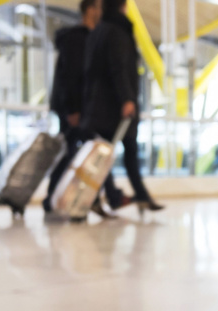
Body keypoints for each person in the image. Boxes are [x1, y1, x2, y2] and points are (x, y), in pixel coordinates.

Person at [82, 0, 164, 214]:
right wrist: (127, 98)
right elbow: (119, 68)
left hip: (98, 107)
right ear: (123, 6)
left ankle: (117, 197)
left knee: (108, 155)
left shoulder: (97, 32)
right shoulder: (118, 31)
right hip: (115, 107)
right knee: (120, 154)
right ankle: (110, 197)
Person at [45, 0, 123, 218]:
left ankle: (94, 199)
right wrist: (72, 109)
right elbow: (70, 77)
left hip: (83, 107)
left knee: (82, 152)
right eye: (99, 7)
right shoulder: (76, 39)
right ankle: (56, 199)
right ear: (90, 10)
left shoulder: (91, 37)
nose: (101, 11)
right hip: (73, 108)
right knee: (77, 153)